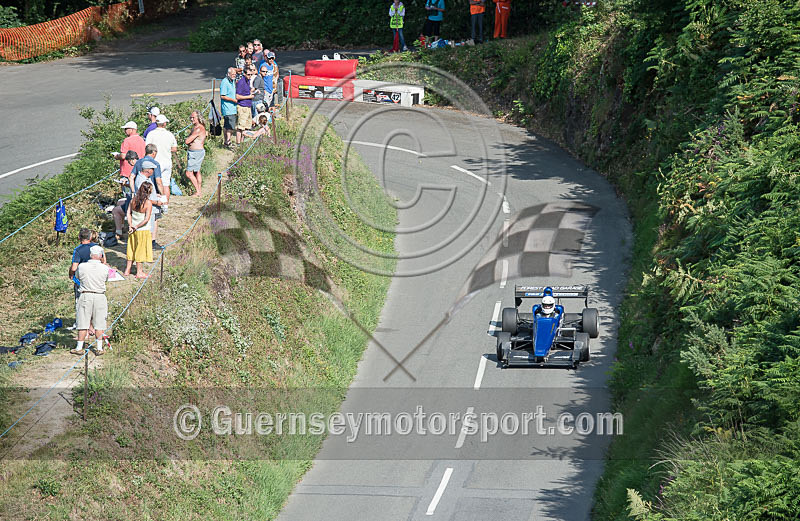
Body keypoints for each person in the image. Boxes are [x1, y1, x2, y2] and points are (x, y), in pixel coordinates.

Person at [70, 245, 109, 356]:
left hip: (85, 295)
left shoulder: (82, 266)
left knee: (82, 322)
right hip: (99, 295)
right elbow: (106, 279)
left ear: (90, 255)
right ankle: (99, 348)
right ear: (100, 255)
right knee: (99, 323)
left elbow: (77, 276)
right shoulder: (104, 268)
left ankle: (79, 347)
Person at [145, 114, 177, 204]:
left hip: (155, 162)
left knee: (154, 183)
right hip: (167, 161)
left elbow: (147, 147)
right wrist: (166, 148)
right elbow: (174, 148)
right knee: (166, 184)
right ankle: (165, 204)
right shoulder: (169, 134)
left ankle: (156, 203)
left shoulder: (151, 134)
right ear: (165, 124)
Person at [124, 182, 154, 279]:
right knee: (140, 250)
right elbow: (146, 219)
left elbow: (128, 213)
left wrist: (130, 225)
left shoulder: (133, 200)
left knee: (131, 248)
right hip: (142, 230)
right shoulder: (148, 203)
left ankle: (127, 270)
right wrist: (136, 226)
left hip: (132, 229)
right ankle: (139, 272)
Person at [184, 110, 207, 197]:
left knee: (189, 173)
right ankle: (199, 191)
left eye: (193, 117)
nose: (191, 119)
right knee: (197, 171)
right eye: (191, 117)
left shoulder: (198, 129)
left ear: (198, 118)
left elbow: (187, 141)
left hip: (196, 153)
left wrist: (188, 139)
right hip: (196, 152)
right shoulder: (196, 127)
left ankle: (198, 191)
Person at [220, 67, 238, 148]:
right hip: (228, 108)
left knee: (228, 126)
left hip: (233, 108)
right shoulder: (225, 82)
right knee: (230, 126)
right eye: (233, 74)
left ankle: (226, 141)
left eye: (235, 74)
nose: (234, 76)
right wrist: (233, 100)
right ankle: (228, 142)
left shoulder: (233, 81)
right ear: (228, 74)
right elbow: (222, 96)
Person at [236, 67, 254, 144]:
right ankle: (238, 143)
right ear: (244, 74)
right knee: (240, 127)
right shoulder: (241, 82)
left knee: (246, 126)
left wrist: (252, 91)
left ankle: (242, 142)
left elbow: (246, 91)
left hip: (248, 106)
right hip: (242, 106)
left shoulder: (248, 81)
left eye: (251, 75)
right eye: (248, 74)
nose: (250, 76)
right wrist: (249, 97)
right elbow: (237, 96)